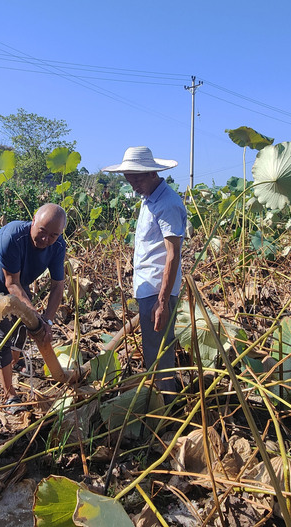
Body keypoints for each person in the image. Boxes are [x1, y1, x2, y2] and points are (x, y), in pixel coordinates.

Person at [101, 146, 187, 395]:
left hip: (158, 288)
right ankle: (161, 397)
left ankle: (166, 405)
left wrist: (162, 302)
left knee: (159, 351)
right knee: (153, 348)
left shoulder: (167, 204)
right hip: (147, 287)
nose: (133, 185)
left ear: (152, 174)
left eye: (137, 179)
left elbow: (173, 255)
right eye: (129, 180)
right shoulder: (148, 199)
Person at [0, 203, 67, 409]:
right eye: (42, 231)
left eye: (53, 235)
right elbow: (11, 284)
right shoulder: (13, 237)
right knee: (1, 335)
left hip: (19, 278)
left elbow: (57, 286)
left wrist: (48, 321)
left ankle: (13, 362)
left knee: (23, 327)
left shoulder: (58, 245)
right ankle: (9, 395)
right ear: (33, 220)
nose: (46, 240)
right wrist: (36, 316)